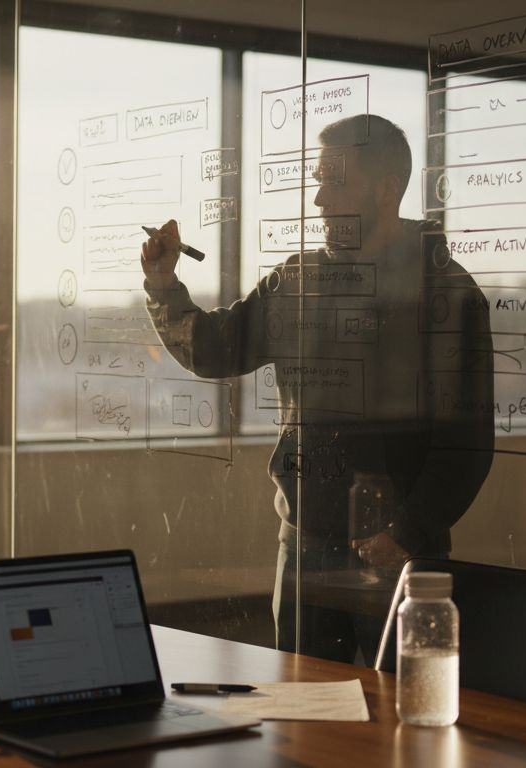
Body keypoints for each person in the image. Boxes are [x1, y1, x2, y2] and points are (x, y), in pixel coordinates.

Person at [141, 114, 493, 663]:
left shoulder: (447, 292)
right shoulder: (297, 282)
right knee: (304, 725)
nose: (319, 200)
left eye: (334, 180)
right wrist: (163, 284)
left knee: (401, 727)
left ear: (386, 189)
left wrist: (406, 531)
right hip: (305, 546)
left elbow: (467, 440)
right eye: (317, 181)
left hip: (403, 555)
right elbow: (215, 349)